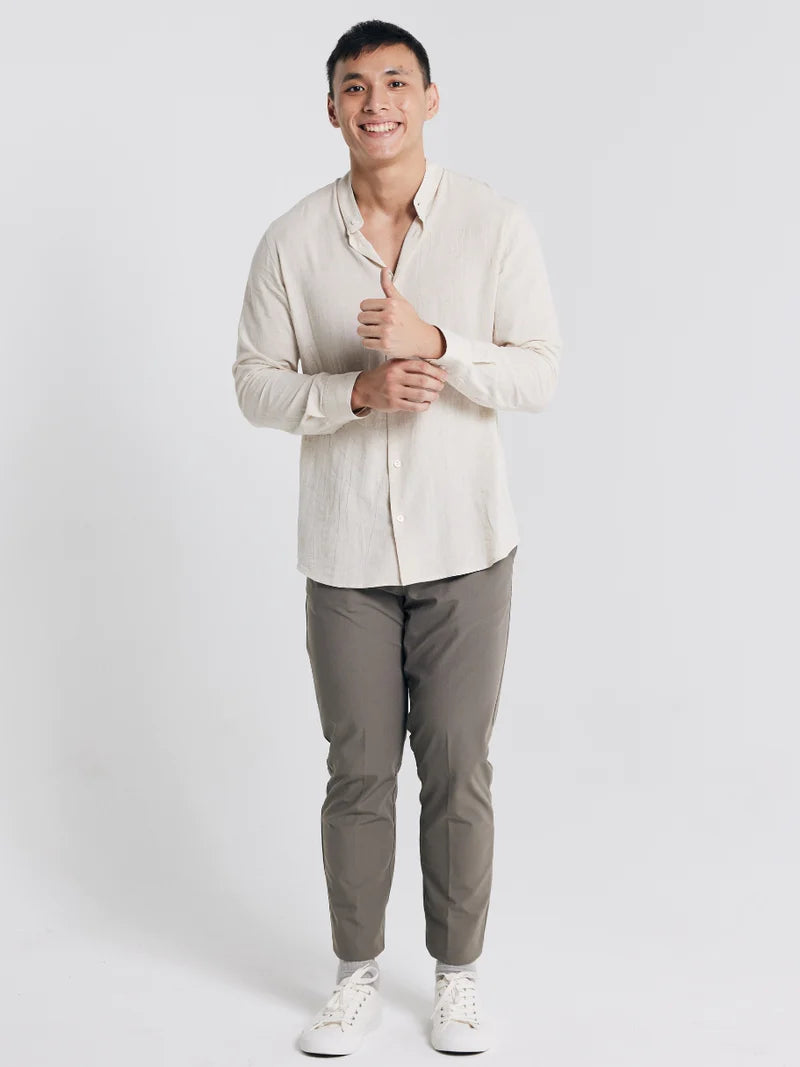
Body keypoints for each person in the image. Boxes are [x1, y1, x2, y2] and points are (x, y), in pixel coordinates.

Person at [232, 18, 562, 1056]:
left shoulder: (493, 226)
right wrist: (356, 393)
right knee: (359, 770)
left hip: (467, 546)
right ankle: (355, 974)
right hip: (346, 559)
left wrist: (439, 343)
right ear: (330, 107)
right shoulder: (291, 241)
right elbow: (253, 383)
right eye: (354, 86)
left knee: (457, 766)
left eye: (395, 82)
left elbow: (538, 372)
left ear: (429, 98)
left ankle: (456, 977)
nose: (375, 102)